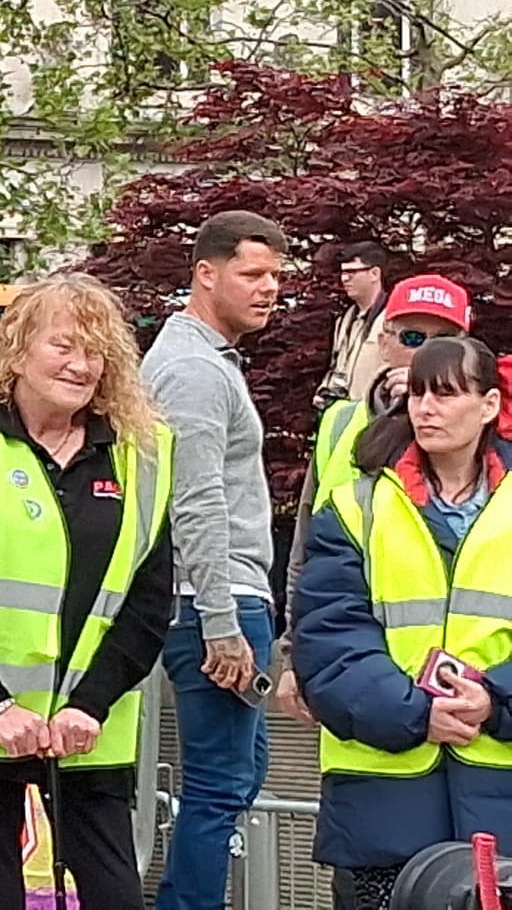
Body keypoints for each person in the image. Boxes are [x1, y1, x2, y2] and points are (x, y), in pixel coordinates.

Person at [0, 273, 174, 909]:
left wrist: (91, 704)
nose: (81, 365)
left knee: (116, 894)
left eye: (96, 351)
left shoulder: (145, 451)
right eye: (64, 346)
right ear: (17, 350)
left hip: (88, 725)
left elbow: (149, 599)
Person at [293, 337, 512, 910]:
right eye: (417, 394)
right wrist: (418, 713)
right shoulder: (355, 505)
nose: (426, 409)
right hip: (383, 809)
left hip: (500, 808)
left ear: (489, 405)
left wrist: (494, 700)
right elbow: (328, 641)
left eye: (446, 394)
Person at [139, 209, 287, 910]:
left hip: (214, 596)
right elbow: (195, 501)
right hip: (212, 599)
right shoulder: (195, 371)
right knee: (219, 786)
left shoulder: (200, 361)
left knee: (234, 777)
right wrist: (221, 622)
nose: (269, 289)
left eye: (276, 276)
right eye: (252, 273)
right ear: (205, 273)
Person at [277, 274, 473, 725]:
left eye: (444, 341)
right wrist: (291, 654)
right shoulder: (341, 424)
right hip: (358, 677)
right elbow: (305, 552)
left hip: (468, 690)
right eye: (413, 338)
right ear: (384, 343)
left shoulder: (488, 430)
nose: (426, 354)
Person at [316, 242, 390, 412]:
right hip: (341, 415)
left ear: (374, 273)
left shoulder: (393, 320)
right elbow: (336, 366)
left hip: (376, 417)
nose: (344, 279)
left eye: (352, 272)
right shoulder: (343, 321)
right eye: (343, 273)